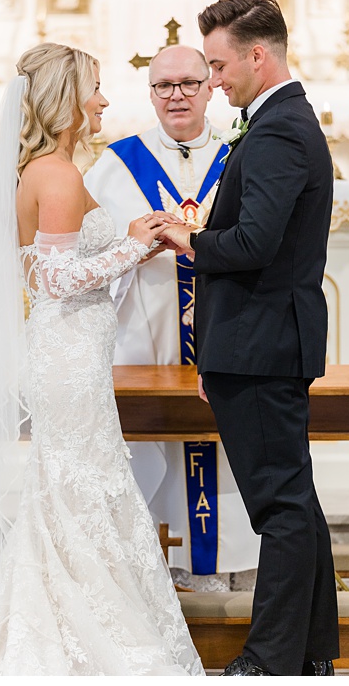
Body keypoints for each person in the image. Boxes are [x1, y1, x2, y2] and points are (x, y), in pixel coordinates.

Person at [0, 43, 203, 676]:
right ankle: (79, 628)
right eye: (95, 88)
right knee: (82, 487)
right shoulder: (56, 174)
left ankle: (66, 610)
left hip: (74, 351)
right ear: (66, 99)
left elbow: (61, 267)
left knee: (73, 491)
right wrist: (134, 246)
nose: (104, 100)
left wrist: (141, 246)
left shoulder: (49, 169)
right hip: (68, 355)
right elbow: (51, 279)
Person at [160, 0, 338, 677]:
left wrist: (189, 237)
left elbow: (254, 242)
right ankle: (308, 654)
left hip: (261, 345)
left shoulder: (277, 130)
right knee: (295, 502)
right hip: (259, 341)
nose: (211, 80)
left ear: (255, 56)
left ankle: (269, 663)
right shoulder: (277, 123)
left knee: (280, 510)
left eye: (215, 64)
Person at [85, 44, 260, 588]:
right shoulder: (117, 162)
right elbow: (87, 253)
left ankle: (226, 564)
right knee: (148, 446)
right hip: (148, 335)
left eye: (189, 83)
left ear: (211, 86)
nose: (177, 95)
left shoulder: (246, 153)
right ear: (151, 93)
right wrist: (134, 244)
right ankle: (150, 572)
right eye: (164, 86)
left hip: (230, 328)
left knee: (232, 447)